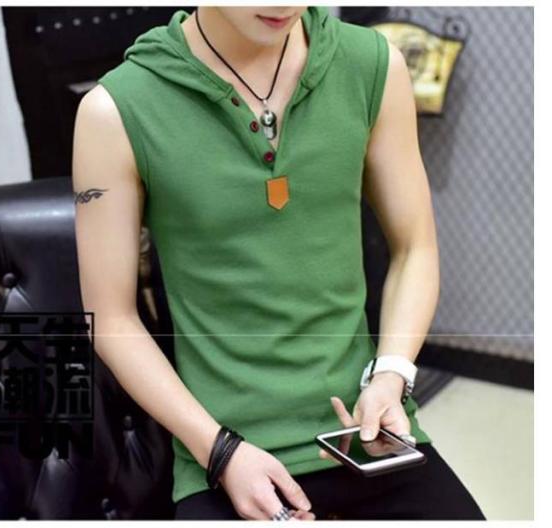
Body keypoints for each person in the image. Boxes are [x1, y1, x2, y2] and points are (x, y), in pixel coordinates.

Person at [72, 5, 486, 521]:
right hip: (224, 454)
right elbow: (111, 320)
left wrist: (391, 375)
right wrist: (220, 452)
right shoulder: (116, 110)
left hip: (367, 435)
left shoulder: (372, 66)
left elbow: (415, 247)